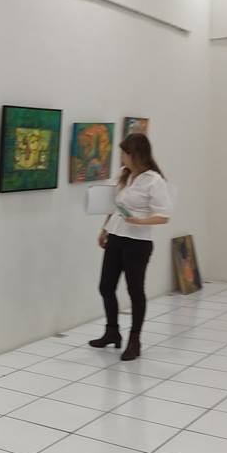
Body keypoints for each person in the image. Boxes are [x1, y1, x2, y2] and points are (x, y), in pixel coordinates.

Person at [89, 133, 171, 361]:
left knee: (135, 291)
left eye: (124, 153)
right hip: (116, 236)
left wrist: (140, 221)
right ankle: (112, 332)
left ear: (136, 154)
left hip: (138, 242)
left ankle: (135, 340)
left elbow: (164, 216)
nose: (122, 158)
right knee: (106, 287)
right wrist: (105, 229)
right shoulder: (124, 176)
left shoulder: (154, 180)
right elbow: (115, 206)